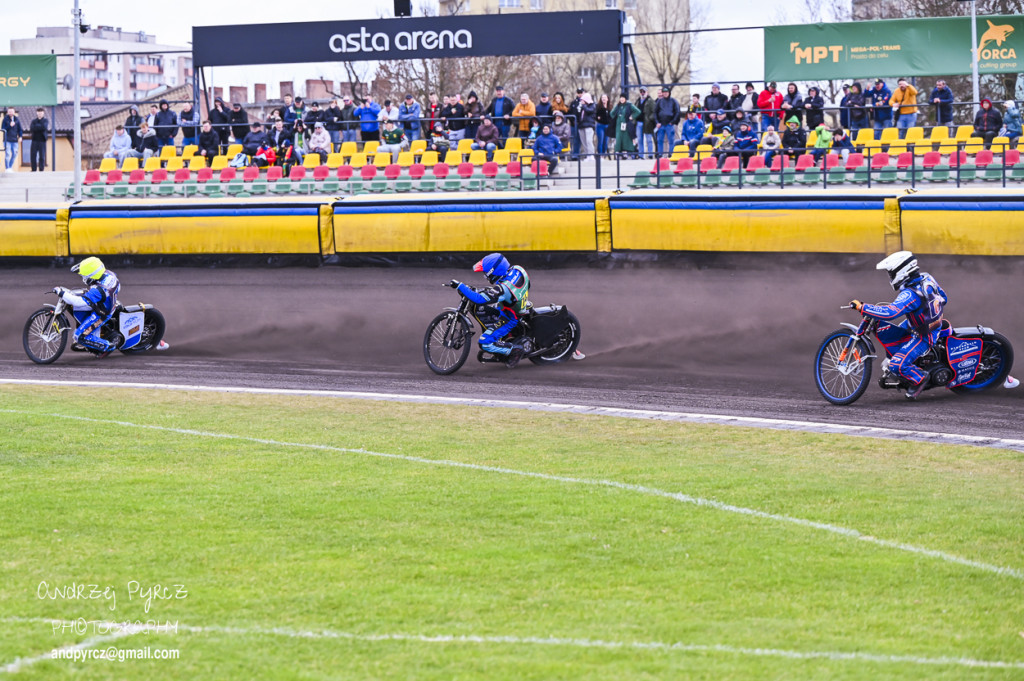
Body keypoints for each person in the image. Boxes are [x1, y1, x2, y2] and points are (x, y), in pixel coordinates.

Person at [849, 251, 949, 400]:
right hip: (925, 324)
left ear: (902, 271)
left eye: (891, 273)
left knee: (896, 365)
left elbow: (890, 313)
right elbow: (944, 298)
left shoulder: (910, 294)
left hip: (924, 335)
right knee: (893, 335)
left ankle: (920, 378)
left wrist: (862, 307)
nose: (890, 277)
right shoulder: (927, 277)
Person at [447, 253, 531, 368]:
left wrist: (460, 286)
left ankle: (514, 350)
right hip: (518, 305)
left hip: (510, 317)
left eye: (486, 274)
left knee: (484, 343)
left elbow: (479, 299)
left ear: (494, 272)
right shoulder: (518, 269)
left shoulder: (503, 289)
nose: (486, 277)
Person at [53, 257, 121, 356]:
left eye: (85, 276)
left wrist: (61, 293)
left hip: (102, 313)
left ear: (92, 276)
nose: (83, 278)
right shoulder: (109, 274)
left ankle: (108, 346)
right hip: (106, 303)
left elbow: (77, 302)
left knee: (78, 336)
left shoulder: (98, 291)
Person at [609, 93, 641, 157]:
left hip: (626, 124)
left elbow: (638, 111)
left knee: (625, 139)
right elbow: (611, 113)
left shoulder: (629, 105)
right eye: (621, 98)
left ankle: (625, 153)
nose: (621, 99)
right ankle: (617, 153)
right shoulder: (618, 106)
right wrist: (615, 118)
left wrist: (632, 116)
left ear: (625, 99)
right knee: (618, 139)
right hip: (618, 125)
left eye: (623, 98)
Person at [653, 86, 681, 156]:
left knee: (671, 141)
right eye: (664, 92)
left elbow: (677, 112)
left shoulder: (674, 101)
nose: (665, 93)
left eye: (666, 92)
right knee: (660, 140)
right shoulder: (659, 101)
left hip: (670, 124)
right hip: (661, 124)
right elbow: (655, 112)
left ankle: (671, 154)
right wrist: (657, 122)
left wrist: (673, 122)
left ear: (669, 93)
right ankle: (660, 154)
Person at [635, 87, 657, 159]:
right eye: (641, 91)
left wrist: (649, 119)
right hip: (638, 123)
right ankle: (641, 155)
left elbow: (654, 112)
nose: (642, 93)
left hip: (647, 124)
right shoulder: (637, 101)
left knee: (649, 140)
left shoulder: (650, 101)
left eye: (643, 91)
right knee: (640, 140)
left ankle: (650, 155)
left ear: (647, 92)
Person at [577, 92, 596, 159]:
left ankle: (591, 154)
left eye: (583, 100)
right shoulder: (581, 106)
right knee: (584, 141)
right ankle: (587, 155)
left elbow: (589, 111)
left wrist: (584, 106)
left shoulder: (592, 105)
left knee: (589, 141)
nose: (581, 101)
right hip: (581, 125)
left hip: (589, 125)